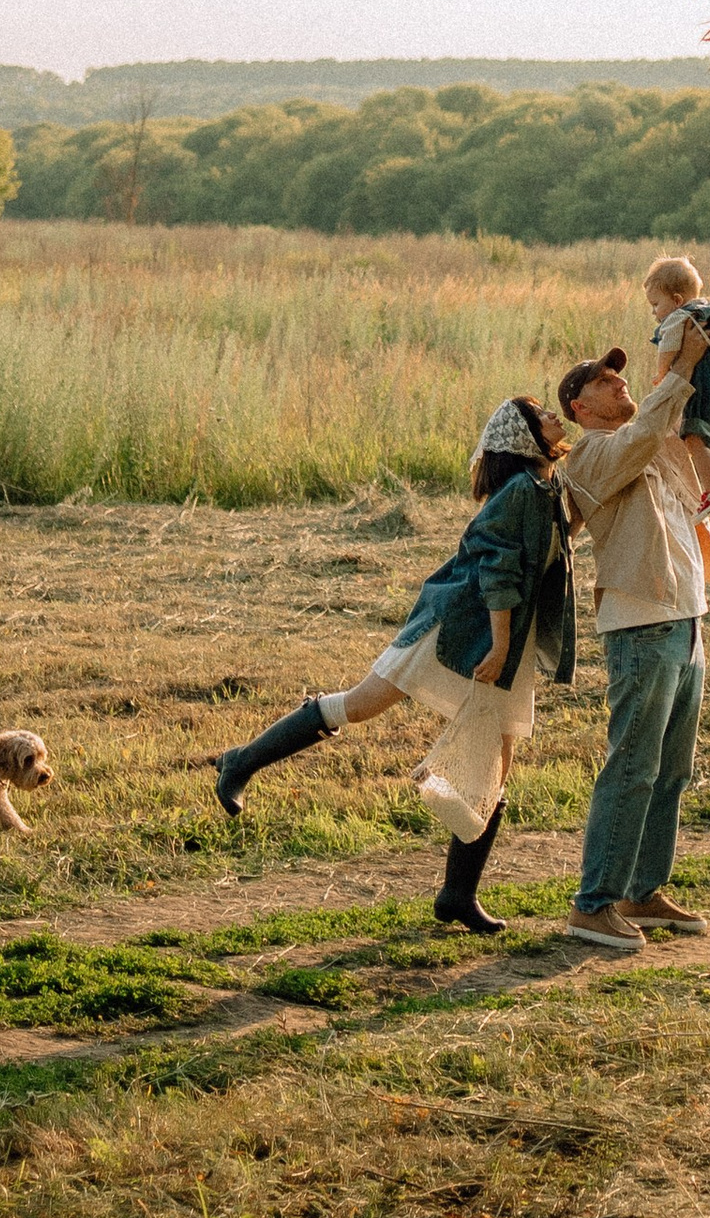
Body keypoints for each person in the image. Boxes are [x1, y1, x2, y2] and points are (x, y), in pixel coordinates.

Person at [212, 396, 575, 934]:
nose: (552, 415)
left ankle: (457, 894)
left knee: (498, 763)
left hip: (502, 638)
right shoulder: (521, 491)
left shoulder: (545, 488)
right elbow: (497, 568)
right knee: (361, 704)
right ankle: (239, 762)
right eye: (540, 413)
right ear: (522, 437)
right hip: (455, 627)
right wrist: (498, 647)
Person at [555, 321, 710, 957]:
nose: (620, 380)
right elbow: (649, 426)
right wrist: (680, 370)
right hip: (640, 621)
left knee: (670, 768)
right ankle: (593, 903)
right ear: (581, 406)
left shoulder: (640, 446)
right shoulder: (592, 454)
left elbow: (695, 490)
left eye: (621, 374)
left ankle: (641, 891)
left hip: (683, 614)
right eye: (605, 378)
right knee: (633, 765)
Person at [642, 251, 710, 510]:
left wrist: (662, 371)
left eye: (656, 305)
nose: (654, 313)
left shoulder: (680, 317)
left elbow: (667, 346)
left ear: (677, 300)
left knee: (694, 436)